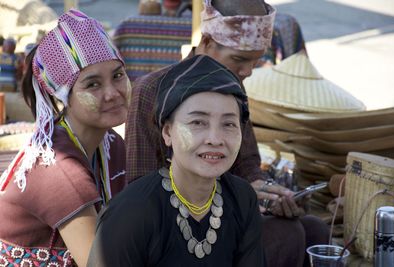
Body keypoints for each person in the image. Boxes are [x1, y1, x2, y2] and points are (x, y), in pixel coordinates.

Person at [124, 0, 329, 266]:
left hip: (229, 212)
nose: (247, 72)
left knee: (315, 230)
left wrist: (268, 193)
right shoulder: (150, 90)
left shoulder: (233, 88)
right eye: (240, 59)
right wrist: (232, 198)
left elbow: (248, 165)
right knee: (285, 233)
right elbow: (140, 189)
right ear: (207, 42)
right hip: (174, 226)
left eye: (256, 61)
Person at [88, 54, 264, 266]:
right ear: (168, 132)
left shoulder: (243, 199)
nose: (215, 139)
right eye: (198, 122)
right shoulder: (132, 213)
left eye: (228, 124)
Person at [0, 9, 129, 267]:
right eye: (92, 84)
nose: (113, 93)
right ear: (62, 96)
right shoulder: (58, 166)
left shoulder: (111, 144)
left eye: (118, 75)